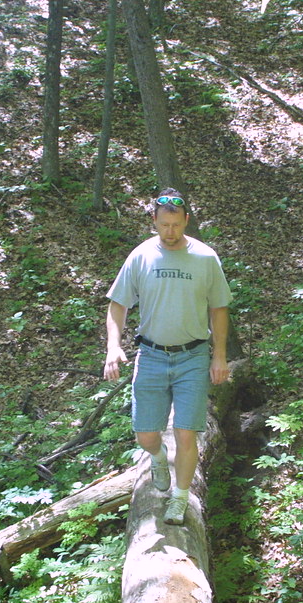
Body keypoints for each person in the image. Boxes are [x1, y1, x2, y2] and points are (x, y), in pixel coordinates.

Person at [103, 188, 232, 526]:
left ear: (186, 220)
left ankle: (180, 498)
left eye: (176, 225)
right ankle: (158, 457)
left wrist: (219, 356)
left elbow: (219, 308)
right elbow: (118, 304)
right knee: (146, 435)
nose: (170, 231)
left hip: (193, 356)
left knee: (186, 433)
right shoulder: (141, 256)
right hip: (151, 355)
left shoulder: (205, 258)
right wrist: (113, 346)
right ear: (154, 221)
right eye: (164, 225)